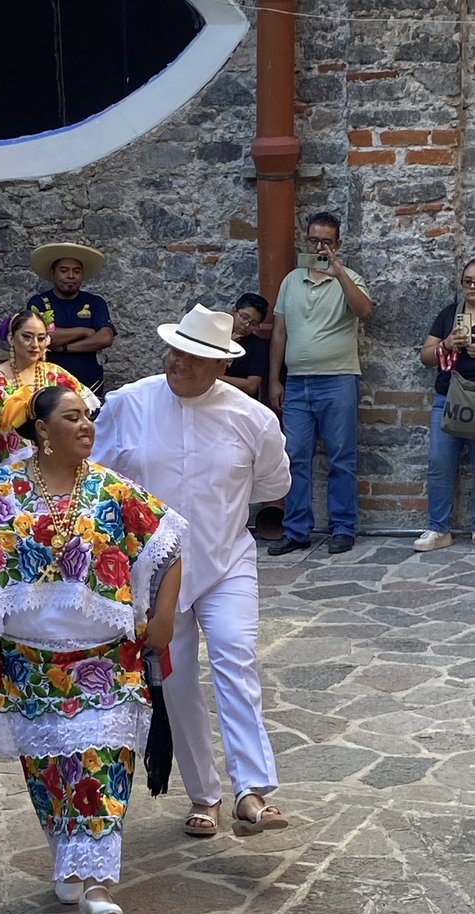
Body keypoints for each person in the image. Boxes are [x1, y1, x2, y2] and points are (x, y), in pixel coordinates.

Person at [0, 385, 185, 914]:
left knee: (101, 765)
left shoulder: (115, 491)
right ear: (42, 431)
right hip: (28, 663)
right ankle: (68, 864)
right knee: (48, 773)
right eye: (72, 418)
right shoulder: (0, 489)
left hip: (106, 661)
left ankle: (97, 882)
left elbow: (172, 543)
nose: (86, 426)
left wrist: (163, 616)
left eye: (88, 417)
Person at [93, 304, 291, 839]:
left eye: (196, 356)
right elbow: (101, 484)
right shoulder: (127, 404)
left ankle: (253, 790)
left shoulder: (253, 418)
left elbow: (273, 486)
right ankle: (204, 796)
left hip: (226, 560)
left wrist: (218, 509)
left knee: (235, 655)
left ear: (222, 365)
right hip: (155, 572)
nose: (181, 362)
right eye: (177, 350)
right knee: (176, 683)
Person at [268, 210, 373, 556]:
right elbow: (279, 333)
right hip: (297, 383)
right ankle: (297, 530)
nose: (319, 246)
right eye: (314, 240)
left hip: (338, 380)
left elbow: (363, 310)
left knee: (342, 457)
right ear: (305, 240)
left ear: (337, 244)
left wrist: (338, 272)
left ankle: (343, 528)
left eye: (327, 241)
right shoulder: (290, 281)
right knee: (295, 456)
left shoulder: (350, 278)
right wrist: (274, 380)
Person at [0, 309, 98, 472]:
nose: (35, 344)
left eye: (41, 338)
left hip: (57, 465)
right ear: (11, 338)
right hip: (9, 470)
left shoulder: (56, 375)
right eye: (27, 337)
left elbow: (87, 413)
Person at [414, 259, 475, 552]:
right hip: (449, 397)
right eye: (467, 281)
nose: (472, 287)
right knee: (440, 463)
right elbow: (425, 356)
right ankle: (439, 529)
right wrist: (448, 344)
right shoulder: (450, 314)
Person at [27, 242, 116, 396]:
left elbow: (105, 338)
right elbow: (45, 337)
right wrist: (84, 331)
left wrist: (65, 348)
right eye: (64, 270)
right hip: (49, 382)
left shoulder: (95, 302)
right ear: (53, 273)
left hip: (89, 382)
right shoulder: (38, 302)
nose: (70, 276)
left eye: (76, 271)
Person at [223, 291, 270, 400]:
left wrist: (214, 378)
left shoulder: (257, 346)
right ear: (234, 311)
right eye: (244, 317)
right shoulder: (214, 333)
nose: (246, 325)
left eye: (253, 324)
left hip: (239, 402)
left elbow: (251, 386)